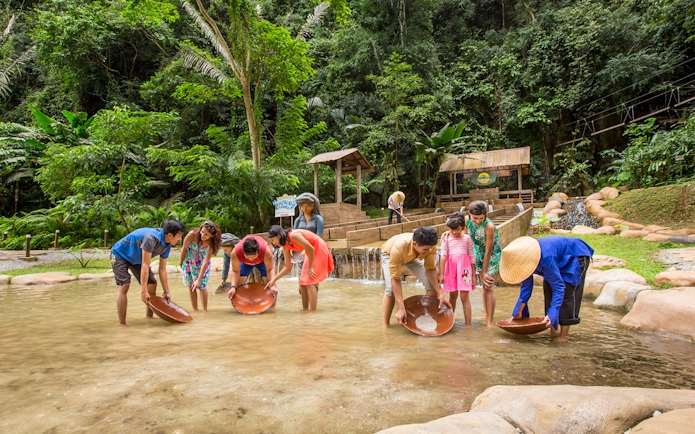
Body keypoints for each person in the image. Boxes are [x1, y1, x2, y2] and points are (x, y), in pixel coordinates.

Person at [499, 235, 594, 342]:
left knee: (567, 291)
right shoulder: (523, 262)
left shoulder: (545, 257)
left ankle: (564, 335)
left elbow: (559, 287)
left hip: (575, 255)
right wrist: (519, 310)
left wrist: (553, 312)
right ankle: (553, 331)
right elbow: (526, 286)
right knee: (548, 289)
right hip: (556, 258)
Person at [111, 219, 186, 326]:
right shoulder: (150, 238)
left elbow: (162, 269)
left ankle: (149, 317)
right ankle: (122, 324)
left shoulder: (167, 245)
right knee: (124, 285)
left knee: (152, 284)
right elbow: (145, 265)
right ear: (170, 235)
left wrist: (166, 292)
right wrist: (143, 291)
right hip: (120, 254)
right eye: (179, 236)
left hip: (136, 259)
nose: (180, 239)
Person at [381, 226, 452, 328]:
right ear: (415, 244)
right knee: (390, 289)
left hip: (412, 257)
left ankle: (428, 316)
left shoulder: (430, 247)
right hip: (389, 254)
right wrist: (401, 307)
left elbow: (430, 269)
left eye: (430, 248)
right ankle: (385, 325)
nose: (429, 251)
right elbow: (395, 279)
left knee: (431, 284)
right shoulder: (398, 248)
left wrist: (440, 293)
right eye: (426, 249)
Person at [266, 225, 334, 312]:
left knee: (310, 282)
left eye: (273, 240)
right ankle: (305, 310)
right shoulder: (286, 246)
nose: (273, 243)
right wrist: (273, 280)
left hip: (318, 248)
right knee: (302, 282)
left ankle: (313, 312)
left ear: (279, 235)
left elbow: (311, 249)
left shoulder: (294, 235)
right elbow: (287, 267)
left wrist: (310, 268)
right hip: (310, 252)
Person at [467, 200, 502, 327]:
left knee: (488, 285)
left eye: (481, 218)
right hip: (477, 252)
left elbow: (488, 250)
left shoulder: (489, 226)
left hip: (492, 254)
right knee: (483, 285)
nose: (477, 221)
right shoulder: (467, 221)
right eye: (475, 218)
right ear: (469, 213)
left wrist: (484, 271)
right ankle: (485, 314)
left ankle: (490, 322)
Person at [438, 217, 476, 325]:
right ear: (448, 228)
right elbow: (443, 255)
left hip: (464, 270)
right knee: (453, 296)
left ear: (462, 228)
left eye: (458, 229)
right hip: (451, 269)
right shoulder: (446, 238)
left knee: (464, 297)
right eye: (451, 230)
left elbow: (471, 256)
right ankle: (449, 322)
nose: (454, 232)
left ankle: (468, 324)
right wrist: (441, 273)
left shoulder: (467, 238)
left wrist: (473, 275)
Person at [180, 220, 222, 312]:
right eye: (202, 232)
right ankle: (195, 310)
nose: (203, 235)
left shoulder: (211, 243)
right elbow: (184, 249)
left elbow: (206, 261)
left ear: (212, 235)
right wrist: (180, 263)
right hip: (189, 261)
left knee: (202, 286)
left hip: (202, 263)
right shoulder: (192, 235)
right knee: (191, 285)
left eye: (206, 234)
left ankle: (205, 311)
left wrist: (198, 279)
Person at [293, 192, 325, 308]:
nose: (304, 208)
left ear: (313, 206)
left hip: (314, 252)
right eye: (302, 206)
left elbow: (319, 236)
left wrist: (306, 249)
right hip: (299, 253)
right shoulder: (298, 220)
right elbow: (294, 235)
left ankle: (313, 308)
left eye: (306, 205)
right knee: (301, 280)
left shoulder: (318, 219)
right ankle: (304, 308)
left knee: (311, 280)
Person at [225, 235, 279, 300]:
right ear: (243, 252)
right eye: (248, 257)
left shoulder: (266, 251)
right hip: (245, 263)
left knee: (271, 288)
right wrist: (233, 287)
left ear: (258, 251)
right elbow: (235, 271)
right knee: (236, 288)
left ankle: (273, 307)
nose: (251, 259)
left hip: (262, 262)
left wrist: (272, 285)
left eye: (254, 256)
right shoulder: (236, 252)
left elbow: (270, 269)